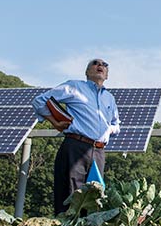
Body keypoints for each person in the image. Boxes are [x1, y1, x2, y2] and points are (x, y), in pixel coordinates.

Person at [32, 58, 120, 215]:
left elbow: (116, 124)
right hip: (75, 146)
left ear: (107, 75)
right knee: (71, 197)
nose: (100, 66)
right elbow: (40, 101)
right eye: (95, 63)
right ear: (87, 72)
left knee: (95, 199)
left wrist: (108, 130)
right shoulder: (74, 87)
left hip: (99, 152)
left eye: (104, 65)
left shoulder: (110, 99)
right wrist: (54, 122)